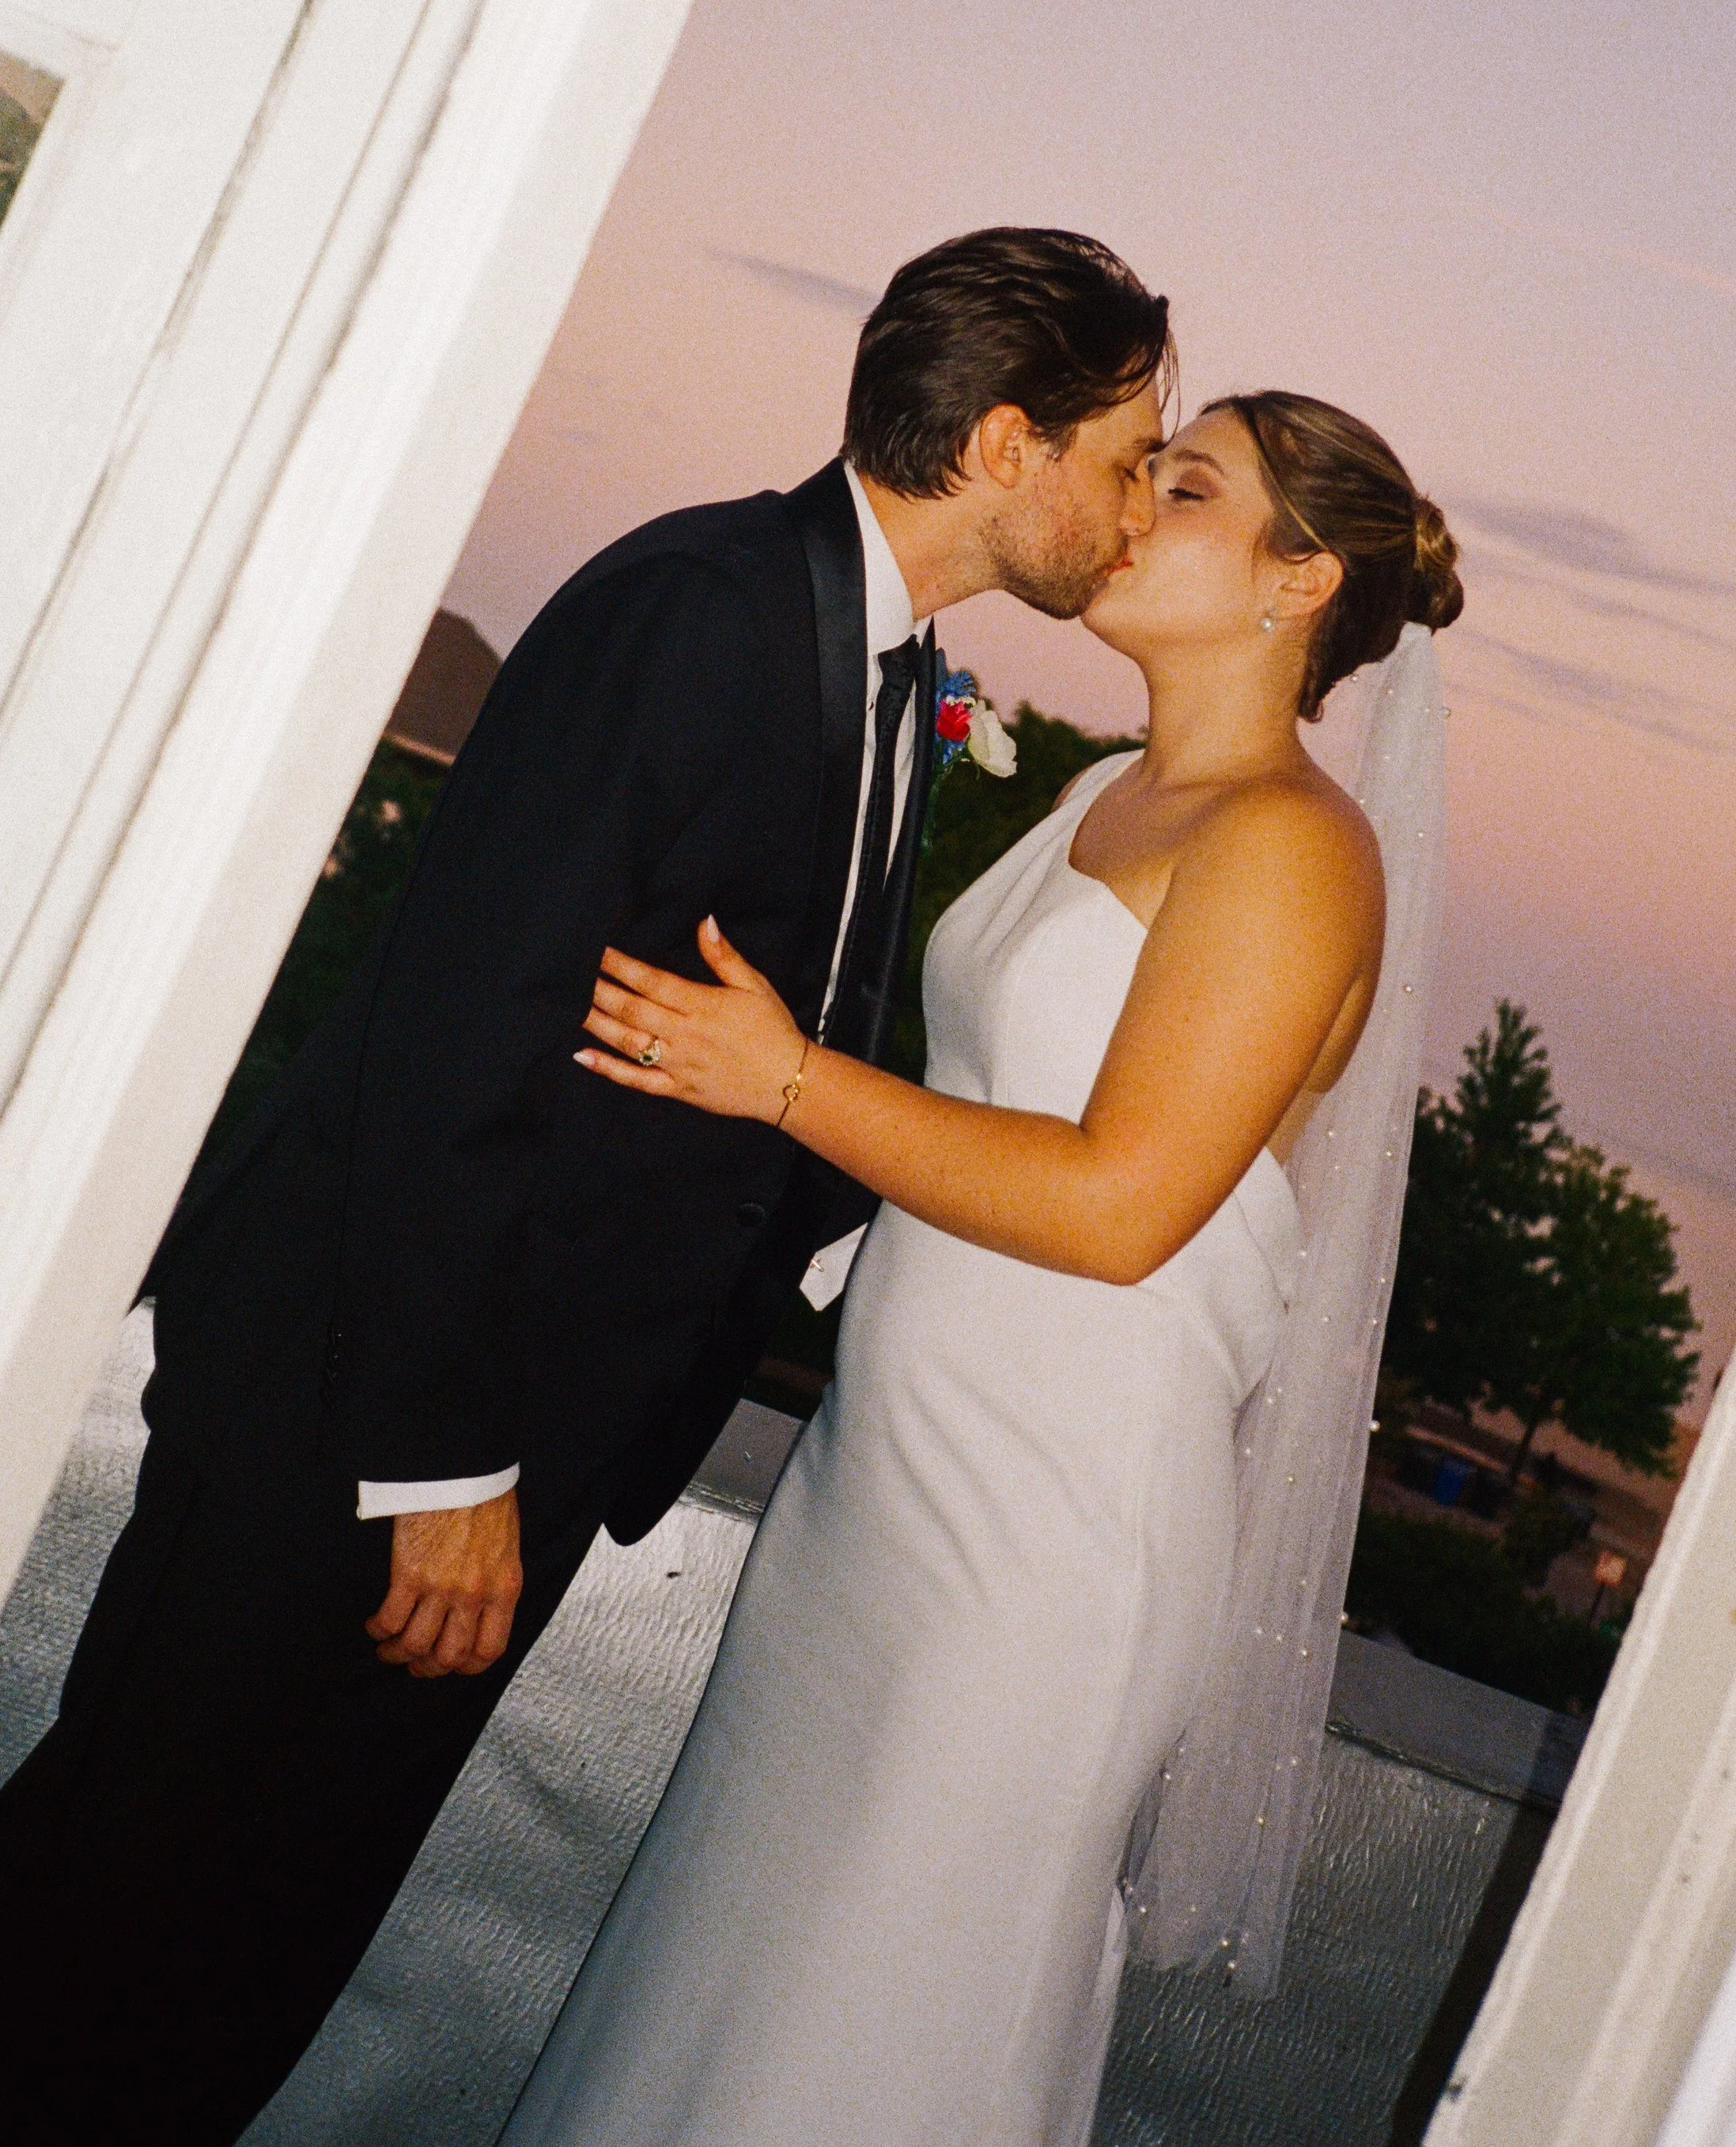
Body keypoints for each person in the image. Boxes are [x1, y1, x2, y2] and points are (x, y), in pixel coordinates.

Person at [0, 228, 1172, 2147]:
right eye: (1126, 456)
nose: (1134, 507)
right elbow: (465, 1034)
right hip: (362, 1422)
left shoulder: (893, 679)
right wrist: (444, 1465)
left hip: (504, 1450)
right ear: (1003, 445)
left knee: (226, 1978)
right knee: (108, 1939)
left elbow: (736, 1091)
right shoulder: (699, 609)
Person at [498, 388, 1463, 2147]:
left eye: (1185, 485)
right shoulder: (1105, 790)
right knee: (730, 1982)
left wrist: (783, 1076)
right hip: (873, 1496)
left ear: (1296, 575)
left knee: (875, 2020)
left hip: (1041, 1543)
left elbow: (1115, 1205)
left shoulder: (1293, 850)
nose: (1130, 503)